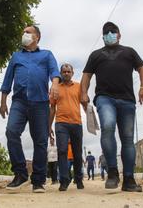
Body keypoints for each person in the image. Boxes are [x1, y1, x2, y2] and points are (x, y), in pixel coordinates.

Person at [81, 21, 143, 192]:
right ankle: (112, 172)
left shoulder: (129, 52)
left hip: (127, 100)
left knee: (127, 138)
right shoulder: (96, 55)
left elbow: (142, 68)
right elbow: (86, 76)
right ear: (103, 36)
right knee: (108, 126)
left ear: (119, 34)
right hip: (105, 98)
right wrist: (83, 93)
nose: (109, 33)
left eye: (113, 31)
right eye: (106, 32)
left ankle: (129, 179)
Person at [0, 25, 60, 193]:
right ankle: (20, 174)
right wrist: (3, 101)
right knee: (11, 132)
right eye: (23, 32)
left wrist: (55, 84)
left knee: (40, 141)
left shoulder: (46, 55)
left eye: (28, 32)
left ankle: (39, 180)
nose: (24, 34)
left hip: (40, 103)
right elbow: (7, 80)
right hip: (19, 102)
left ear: (37, 37)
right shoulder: (16, 56)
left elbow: (54, 72)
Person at [49, 63, 85, 191]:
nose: (66, 74)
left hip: (76, 123)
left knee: (77, 153)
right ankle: (64, 180)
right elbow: (52, 108)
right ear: (60, 73)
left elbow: (84, 103)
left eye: (68, 72)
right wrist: (49, 126)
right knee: (62, 151)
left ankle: (79, 179)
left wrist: (92, 119)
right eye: (64, 72)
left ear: (72, 73)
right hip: (61, 123)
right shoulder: (55, 88)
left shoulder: (78, 87)